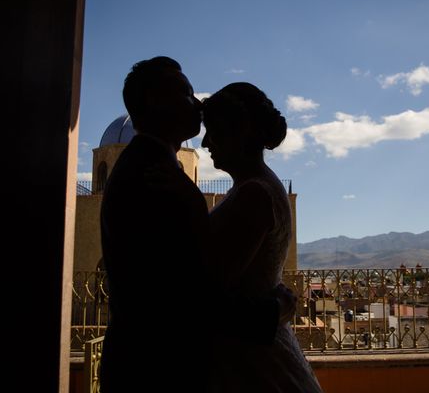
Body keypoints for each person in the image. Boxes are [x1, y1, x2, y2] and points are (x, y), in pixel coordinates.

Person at [99, 57, 295, 393]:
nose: (198, 104)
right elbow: (188, 297)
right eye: (187, 94)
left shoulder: (156, 172)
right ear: (156, 102)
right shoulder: (154, 179)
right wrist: (274, 310)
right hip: (156, 370)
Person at [202, 82, 323, 392]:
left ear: (238, 132)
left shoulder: (253, 195)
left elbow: (210, 296)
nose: (205, 142)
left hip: (251, 362)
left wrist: (271, 313)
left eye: (212, 130)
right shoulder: (254, 187)